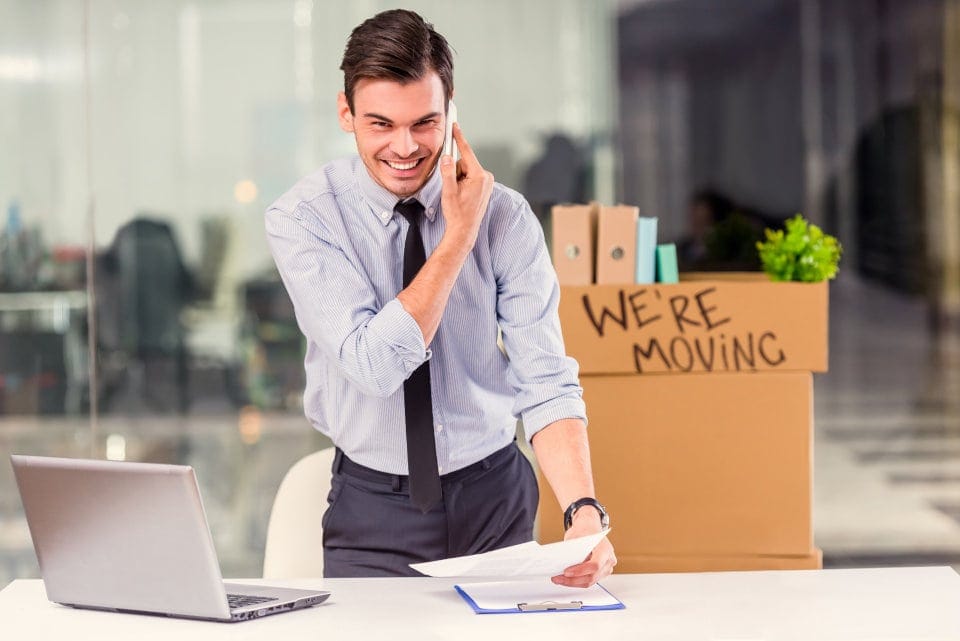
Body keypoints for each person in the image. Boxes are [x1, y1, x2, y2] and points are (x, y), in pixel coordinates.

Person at [265, 9, 615, 587]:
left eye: (424, 122)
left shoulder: (507, 217)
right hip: (372, 511)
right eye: (380, 124)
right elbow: (375, 366)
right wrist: (455, 239)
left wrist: (582, 511)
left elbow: (546, 379)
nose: (404, 147)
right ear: (345, 113)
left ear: (451, 113)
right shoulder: (306, 219)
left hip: (496, 498)